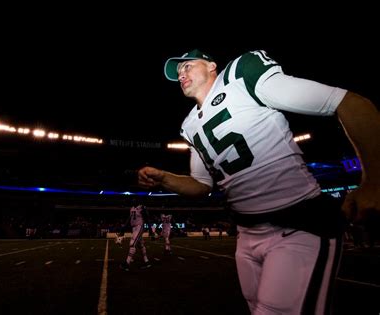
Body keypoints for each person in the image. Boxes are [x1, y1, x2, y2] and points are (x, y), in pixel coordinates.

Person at [138, 49, 380, 314]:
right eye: (178, 72)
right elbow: (201, 185)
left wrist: (374, 181)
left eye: (187, 65)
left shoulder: (240, 75)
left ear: (211, 66)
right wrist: (164, 179)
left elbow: (347, 102)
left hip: (297, 224)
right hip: (246, 235)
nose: (181, 73)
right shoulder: (189, 125)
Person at [119, 203, 152, 271]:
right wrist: (123, 229)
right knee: (140, 245)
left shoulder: (141, 207)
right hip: (134, 228)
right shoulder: (132, 208)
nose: (133, 200)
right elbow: (129, 219)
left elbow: (147, 217)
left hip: (139, 226)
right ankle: (147, 262)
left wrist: (150, 229)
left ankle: (127, 264)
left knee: (132, 243)